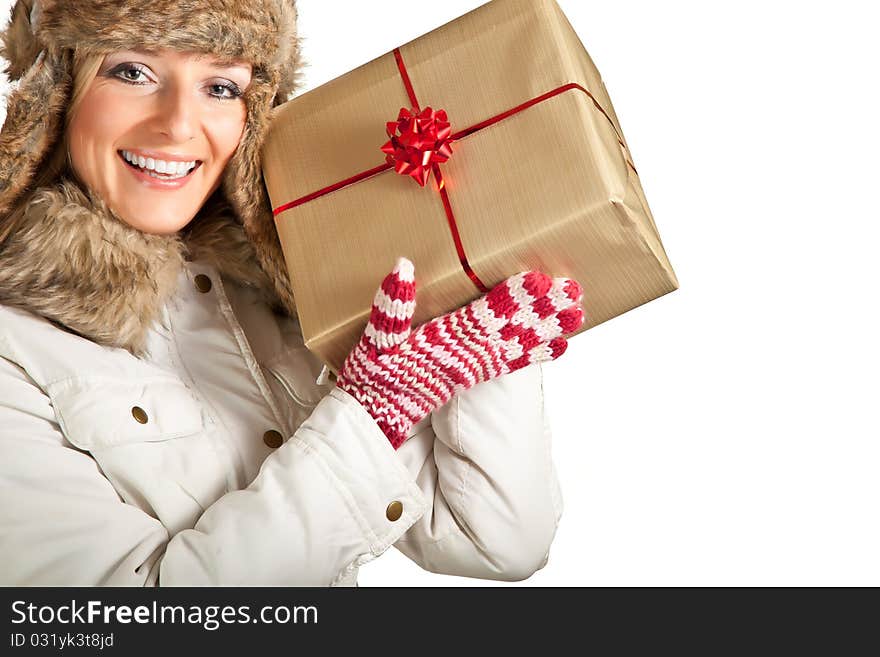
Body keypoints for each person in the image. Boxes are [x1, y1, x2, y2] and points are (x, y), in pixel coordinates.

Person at [0, 0, 584, 586]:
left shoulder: (274, 295)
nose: (178, 124)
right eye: (132, 72)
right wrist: (370, 417)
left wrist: (474, 330)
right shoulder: (13, 348)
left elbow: (496, 542)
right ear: (56, 96)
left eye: (221, 86)